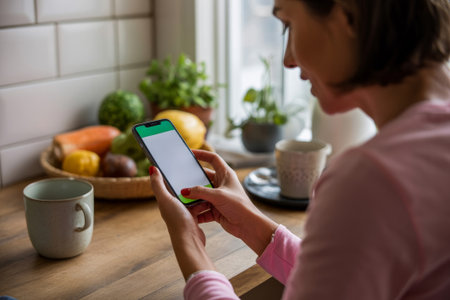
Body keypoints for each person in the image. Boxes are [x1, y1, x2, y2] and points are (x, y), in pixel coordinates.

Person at [149, 0, 450, 298]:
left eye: (289, 24)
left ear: (345, 15)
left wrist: (188, 242)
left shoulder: (371, 179)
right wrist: (251, 224)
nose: (288, 59)